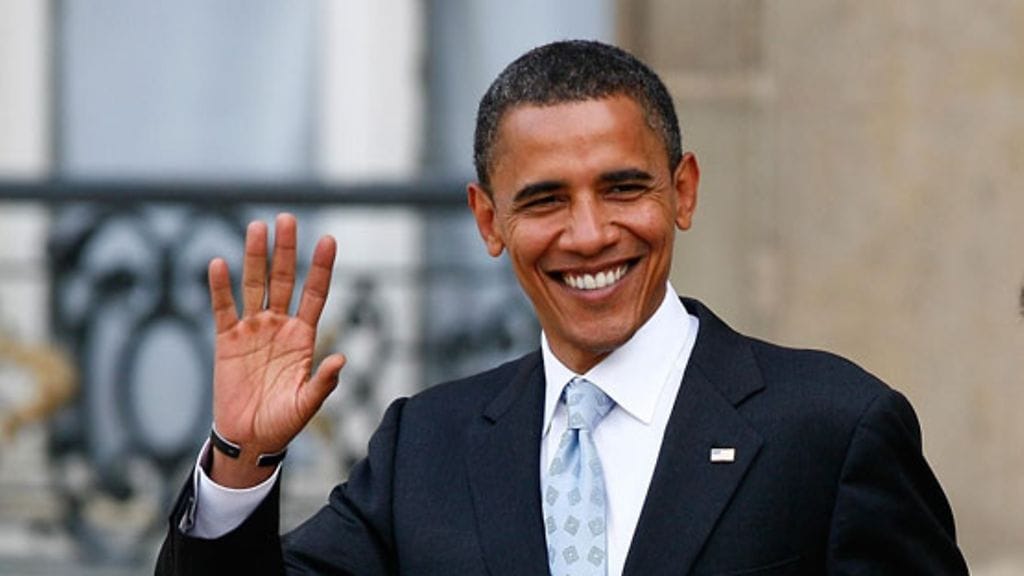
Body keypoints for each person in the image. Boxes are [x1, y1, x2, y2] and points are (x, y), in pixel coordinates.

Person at [156, 40, 968, 575]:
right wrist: (239, 459)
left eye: (623, 187)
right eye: (545, 200)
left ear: (682, 191)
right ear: (488, 221)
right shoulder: (425, 448)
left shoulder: (832, 428)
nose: (589, 234)